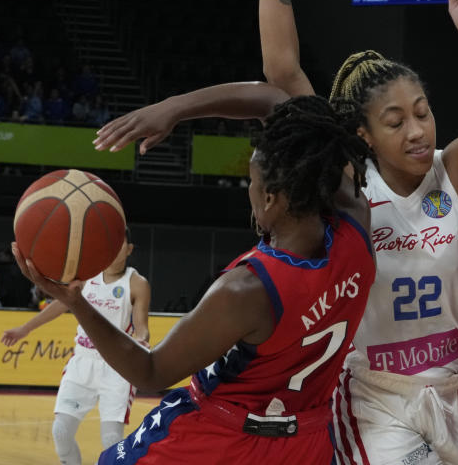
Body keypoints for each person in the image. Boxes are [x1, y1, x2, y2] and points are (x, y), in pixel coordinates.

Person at [93, 0, 458, 465]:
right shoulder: (348, 185)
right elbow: (281, 74)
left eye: (423, 111)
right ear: (360, 134)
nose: (417, 129)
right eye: (395, 119)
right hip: (374, 397)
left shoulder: (453, 170)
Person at [25, 91, 374, 464]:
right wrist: (173, 110)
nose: (250, 193)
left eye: (251, 184)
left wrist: (76, 301)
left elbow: (151, 371)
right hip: (306, 443)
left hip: (220, 438)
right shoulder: (357, 229)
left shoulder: (247, 290)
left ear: (270, 198)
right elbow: (278, 103)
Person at [2, 231, 151, 465]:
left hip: (117, 366)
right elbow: (60, 304)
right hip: (82, 361)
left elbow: (142, 326)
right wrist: (25, 329)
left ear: (129, 249)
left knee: (111, 438)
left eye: (120, 245)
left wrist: (142, 340)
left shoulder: (137, 283)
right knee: (61, 432)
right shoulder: (86, 276)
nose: (114, 250)